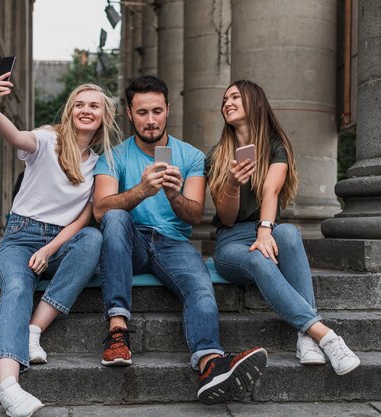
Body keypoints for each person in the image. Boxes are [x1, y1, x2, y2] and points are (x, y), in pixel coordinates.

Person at [93, 75, 268, 405]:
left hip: (173, 244)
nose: (151, 120)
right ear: (130, 114)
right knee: (116, 216)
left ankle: (210, 364)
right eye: (142, 112)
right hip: (130, 242)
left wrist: (173, 194)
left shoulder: (189, 156)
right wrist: (141, 191)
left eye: (157, 111)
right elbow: (101, 210)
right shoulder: (113, 157)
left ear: (168, 109)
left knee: (200, 285)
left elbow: (193, 215)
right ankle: (118, 331)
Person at [0, 73, 120, 417]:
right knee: (15, 287)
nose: (86, 110)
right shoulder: (46, 139)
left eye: (94, 106)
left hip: (60, 241)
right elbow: (16, 135)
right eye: (80, 105)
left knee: (92, 238)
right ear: (71, 110)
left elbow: (82, 219)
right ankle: (9, 387)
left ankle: (33, 330)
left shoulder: (101, 163)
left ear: (104, 116)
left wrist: (49, 249)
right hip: (20, 236)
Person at [206, 80, 361, 376]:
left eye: (236, 97)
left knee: (288, 233)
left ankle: (305, 338)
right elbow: (226, 218)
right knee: (257, 257)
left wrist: (265, 230)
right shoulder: (217, 155)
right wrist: (232, 184)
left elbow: (270, 192)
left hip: (265, 227)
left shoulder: (276, 146)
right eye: (224, 99)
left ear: (257, 103)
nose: (227, 103)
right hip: (230, 242)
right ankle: (324, 335)